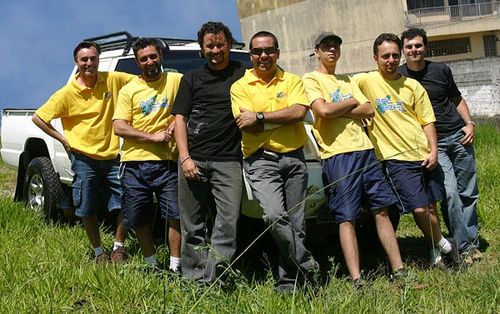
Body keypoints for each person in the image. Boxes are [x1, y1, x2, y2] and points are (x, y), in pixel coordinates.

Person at [302, 32, 405, 283]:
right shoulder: (311, 79)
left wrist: (341, 108)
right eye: (326, 47)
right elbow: (322, 110)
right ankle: (356, 277)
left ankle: (400, 269)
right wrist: (350, 106)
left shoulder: (349, 79)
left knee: (381, 210)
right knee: (346, 217)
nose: (332, 51)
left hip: (366, 150)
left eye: (336, 46)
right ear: (316, 51)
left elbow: (369, 108)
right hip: (338, 155)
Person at [353, 33, 460, 268]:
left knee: (431, 208)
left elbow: (427, 121)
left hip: (423, 154)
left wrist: (433, 151)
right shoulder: (364, 81)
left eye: (394, 55)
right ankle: (446, 244)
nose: (390, 60)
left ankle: (436, 254)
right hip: (395, 158)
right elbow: (342, 95)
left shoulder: (412, 85)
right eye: (385, 56)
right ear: (375, 58)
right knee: (418, 208)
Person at [230, 31, 318, 292]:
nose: (263, 56)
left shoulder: (292, 80)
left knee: (297, 223)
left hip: (295, 158)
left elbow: (300, 112)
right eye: (257, 51)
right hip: (261, 161)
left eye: (269, 50)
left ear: (277, 53)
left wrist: (259, 117)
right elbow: (247, 127)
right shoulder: (240, 86)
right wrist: (281, 117)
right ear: (251, 55)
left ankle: (288, 282)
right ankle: (306, 264)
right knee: (273, 216)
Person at [32, 41, 132, 263]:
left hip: (113, 156)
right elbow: (38, 117)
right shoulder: (67, 93)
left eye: (93, 58)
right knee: (86, 206)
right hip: (84, 158)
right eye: (84, 59)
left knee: (127, 201)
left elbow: (143, 84)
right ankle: (98, 252)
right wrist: (63, 140)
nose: (89, 63)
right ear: (76, 62)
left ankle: (118, 247)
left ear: (99, 59)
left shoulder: (112, 80)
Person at [398, 28, 481, 265]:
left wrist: (470, 122)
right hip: (434, 144)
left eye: (418, 45)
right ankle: (462, 246)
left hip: (459, 137)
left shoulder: (441, 70)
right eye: (410, 46)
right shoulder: (399, 77)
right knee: (451, 194)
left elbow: (456, 98)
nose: (414, 50)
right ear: (404, 50)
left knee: (469, 192)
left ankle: (471, 241)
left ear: (425, 47)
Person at [171, 21, 246, 284]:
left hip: (229, 160)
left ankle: (218, 276)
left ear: (229, 44)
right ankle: (195, 279)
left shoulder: (243, 74)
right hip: (194, 158)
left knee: (228, 222)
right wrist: (185, 158)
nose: (216, 50)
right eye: (210, 46)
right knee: (192, 223)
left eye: (220, 44)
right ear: (202, 49)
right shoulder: (191, 78)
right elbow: (180, 119)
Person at [113, 38, 182, 272]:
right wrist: (152, 137)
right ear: (137, 62)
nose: (150, 62)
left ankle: (175, 267)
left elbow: (191, 104)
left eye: (153, 56)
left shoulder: (176, 80)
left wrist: (177, 121)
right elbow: (119, 127)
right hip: (134, 163)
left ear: (161, 57)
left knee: (176, 215)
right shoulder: (128, 90)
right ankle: (151, 264)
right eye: (144, 59)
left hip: (168, 162)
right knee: (139, 216)